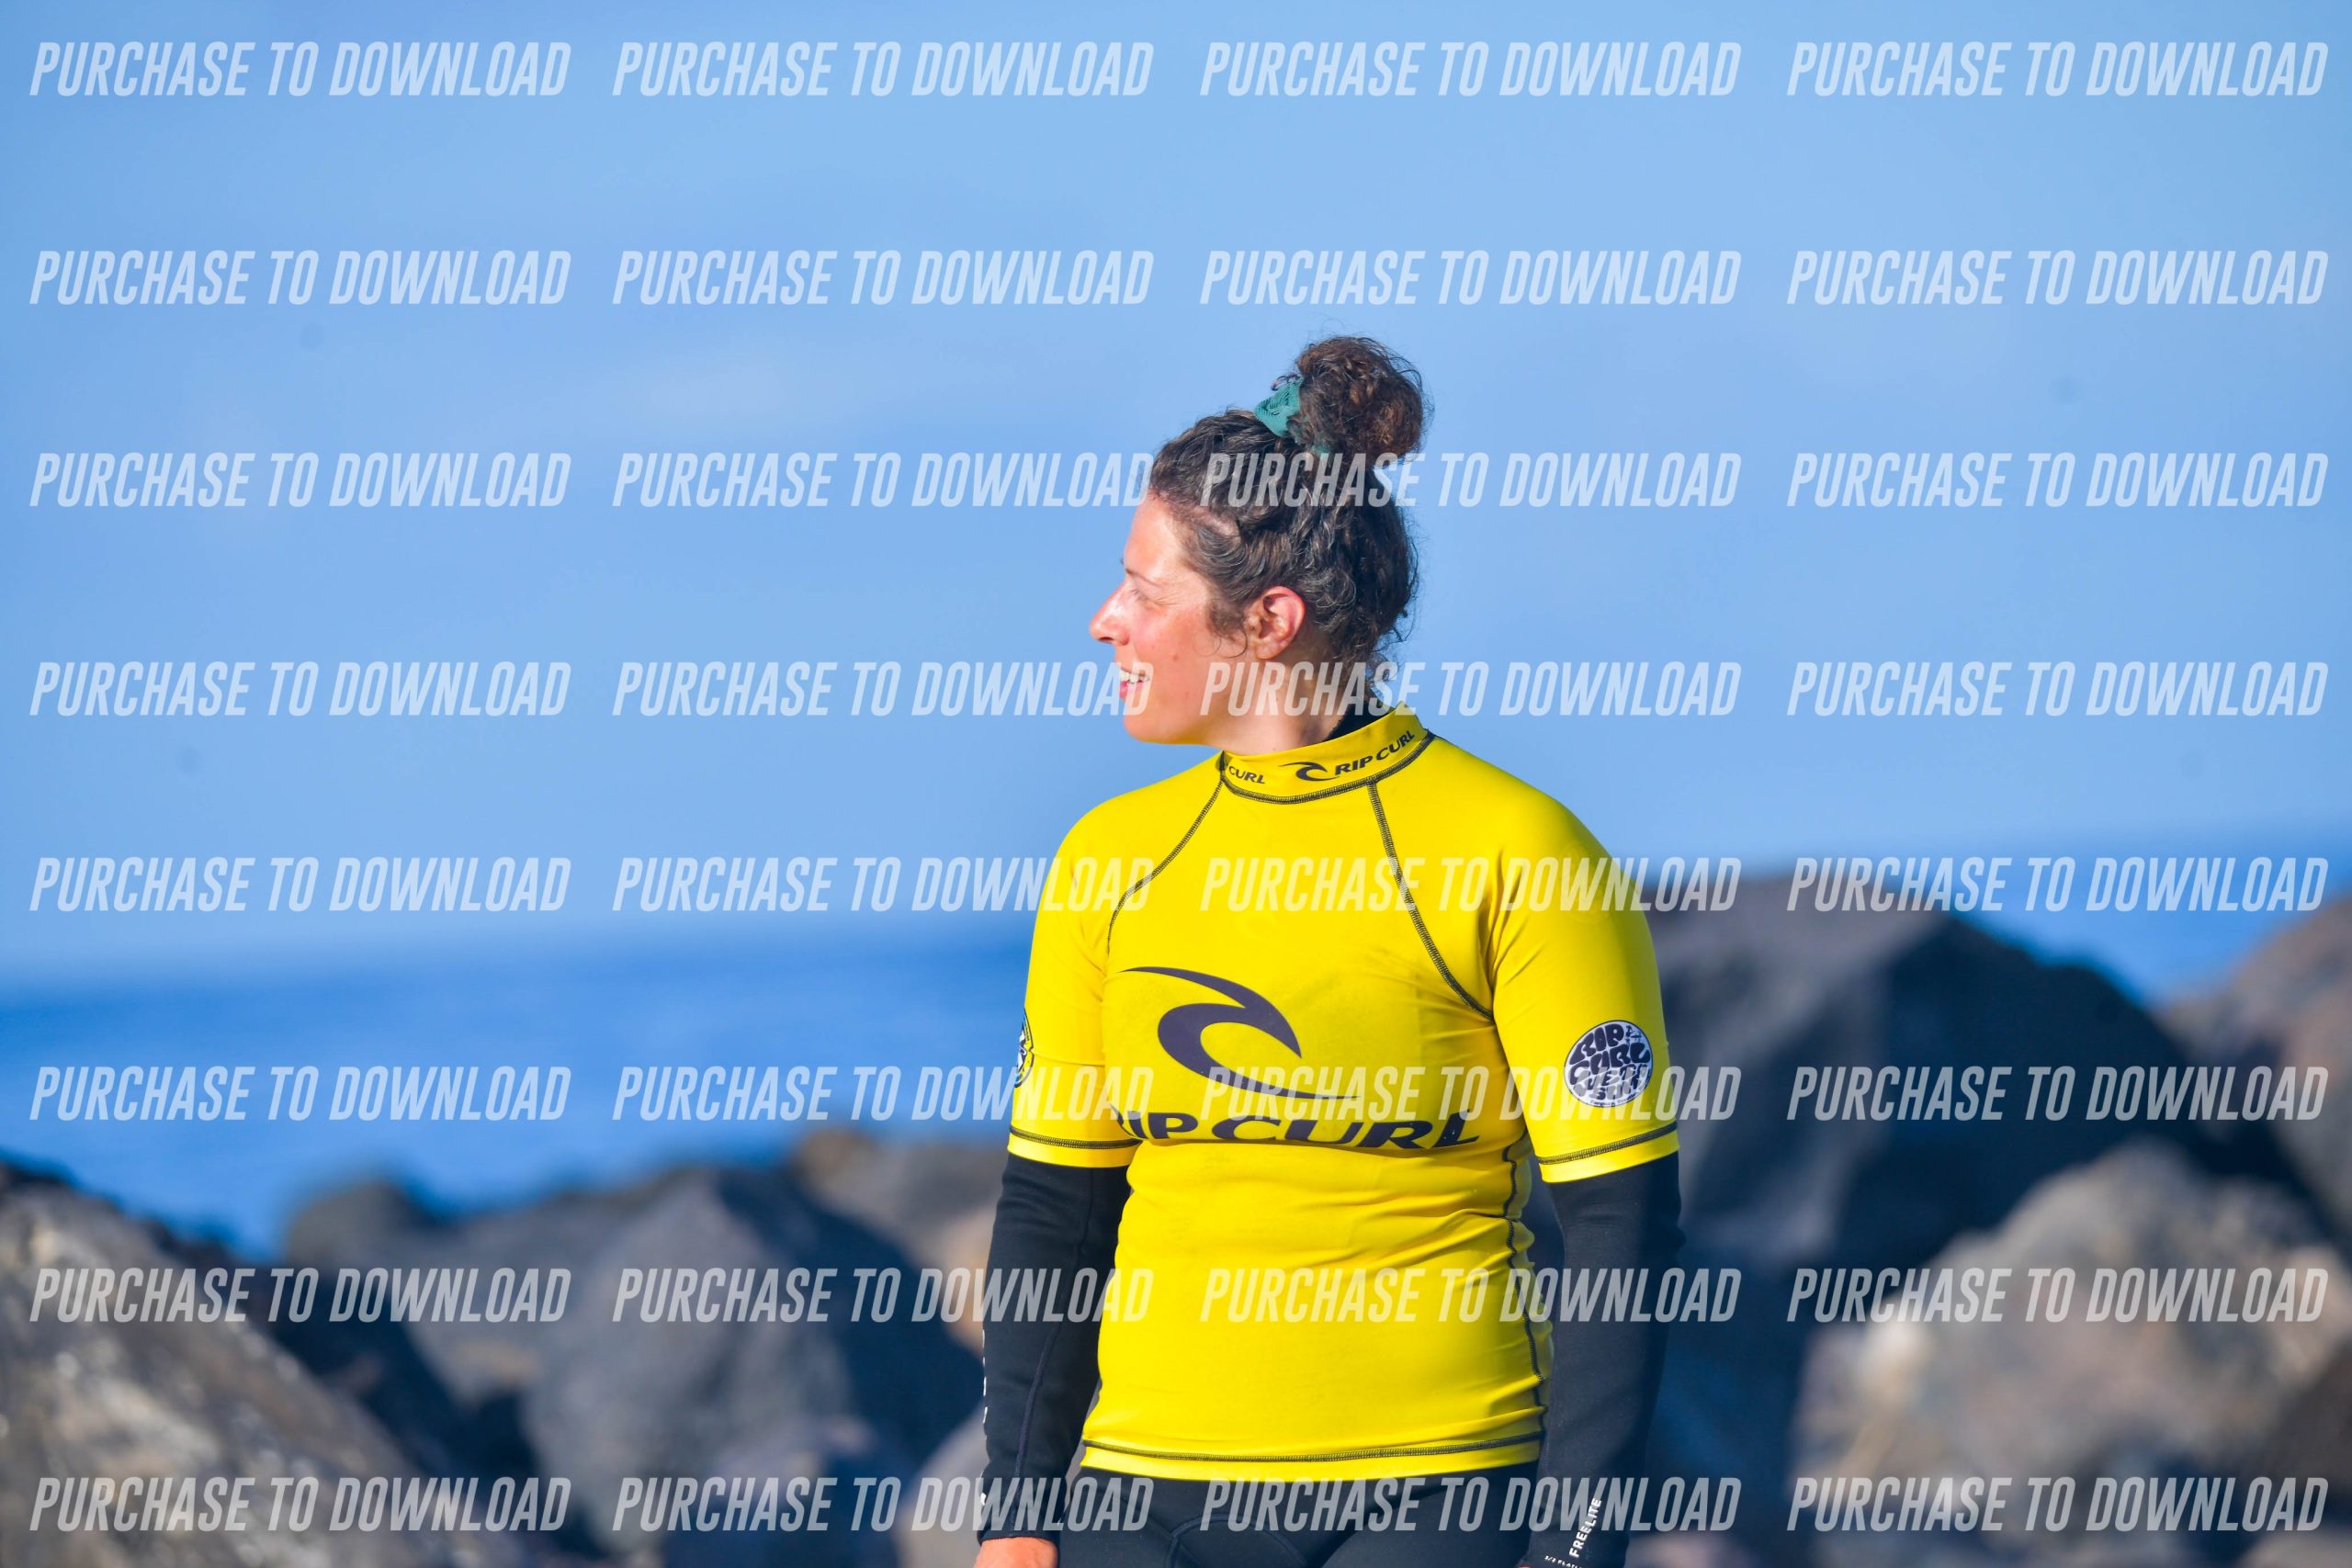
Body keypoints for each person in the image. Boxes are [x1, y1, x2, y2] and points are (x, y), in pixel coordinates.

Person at [973, 336, 1683, 1568]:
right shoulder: (1109, 861)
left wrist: (1575, 1552)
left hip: (1439, 1494)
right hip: (1149, 1504)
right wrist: (1017, 1519)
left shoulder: (1516, 848)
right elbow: (1057, 1208)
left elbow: (1622, 1223)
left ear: (1268, 622)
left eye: (1144, 590)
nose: (1104, 621)